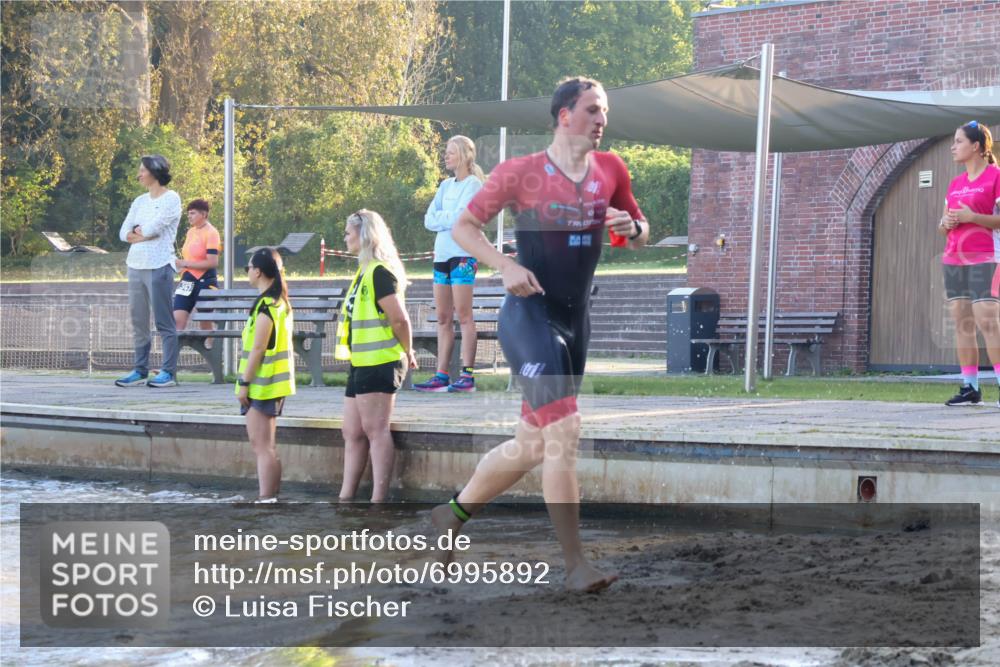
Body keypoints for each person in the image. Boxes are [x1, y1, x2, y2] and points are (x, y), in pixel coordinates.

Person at [430, 77, 649, 591]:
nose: (602, 120)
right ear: (564, 115)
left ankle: (452, 516)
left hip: (576, 324)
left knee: (532, 444)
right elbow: (464, 228)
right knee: (565, 432)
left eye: (606, 112)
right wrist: (504, 264)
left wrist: (631, 227)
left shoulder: (611, 169)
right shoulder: (520, 172)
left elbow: (637, 233)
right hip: (529, 317)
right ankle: (576, 566)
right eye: (593, 110)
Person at [335, 210, 418, 502]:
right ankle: (346, 498)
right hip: (361, 362)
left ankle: (378, 501)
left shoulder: (380, 271)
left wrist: (408, 350)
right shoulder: (364, 271)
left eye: (348, 232)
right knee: (352, 431)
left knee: (375, 429)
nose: (344, 237)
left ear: (365, 234)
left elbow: (400, 319)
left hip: (381, 360)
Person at [413, 136, 485, 393]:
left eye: (450, 152)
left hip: (463, 255)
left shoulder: (473, 184)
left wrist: (445, 218)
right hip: (441, 255)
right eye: (446, 152)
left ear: (464, 155)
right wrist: (448, 218)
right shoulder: (444, 186)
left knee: (464, 316)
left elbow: (463, 217)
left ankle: (467, 375)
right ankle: (441, 374)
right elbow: (428, 219)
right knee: (443, 317)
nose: (446, 156)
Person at [938, 121, 1000, 408]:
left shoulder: (995, 177)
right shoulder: (954, 184)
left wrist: (971, 217)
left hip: (986, 255)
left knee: (988, 320)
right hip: (954, 258)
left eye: (959, 141)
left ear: (976, 146)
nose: (953, 146)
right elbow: (943, 224)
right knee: (963, 323)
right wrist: (947, 222)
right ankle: (970, 387)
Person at [115, 154, 182, 388]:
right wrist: (141, 234)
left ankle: (168, 372)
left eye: (142, 170)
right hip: (135, 266)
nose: (139, 174)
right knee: (139, 321)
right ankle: (140, 369)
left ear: (154, 172)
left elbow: (154, 228)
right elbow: (124, 233)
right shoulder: (139, 201)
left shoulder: (172, 198)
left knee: (164, 322)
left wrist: (142, 232)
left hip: (159, 267)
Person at [238, 248, 296, 502]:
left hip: (263, 385)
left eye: (248, 268)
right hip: (271, 384)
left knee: (262, 447)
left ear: (258, 271)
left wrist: (244, 383)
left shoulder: (267, 306)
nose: (247, 272)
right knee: (266, 446)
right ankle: (271, 497)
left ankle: (266, 499)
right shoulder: (278, 302)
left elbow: (258, 349)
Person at [173, 199, 220, 332]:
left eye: (193, 213)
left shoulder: (212, 233)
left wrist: (186, 263)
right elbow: (189, 257)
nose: (189, 216)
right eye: (188, 213)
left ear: (204, 214)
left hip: (205, 281)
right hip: (187, 280)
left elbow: (212, 262)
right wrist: (181, 266)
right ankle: (174, 352)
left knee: (205, 323)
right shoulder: (191, 232)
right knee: (177, 321)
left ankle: (211, 350)